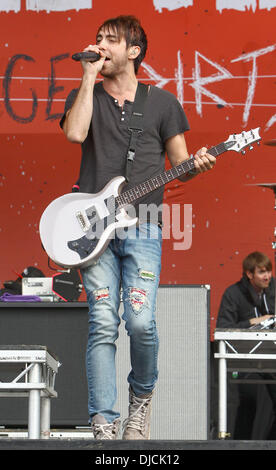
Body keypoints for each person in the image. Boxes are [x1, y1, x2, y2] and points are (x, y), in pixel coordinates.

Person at [60, 15, 216, 440]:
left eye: (110, 41)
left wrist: (197, 166)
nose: (100, 45)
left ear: (134, 51)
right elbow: (75, 134)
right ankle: (103, 422)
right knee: (104, 320)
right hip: (92, 227)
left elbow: (181, 165)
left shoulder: (163, 103)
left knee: (141, 322)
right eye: (97, 40)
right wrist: (88, 74)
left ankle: (140, 402)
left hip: (143, 222)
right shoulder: (85, 93)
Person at [216, 251, 276, 439]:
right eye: (262, 272)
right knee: (248, 400)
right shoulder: (233, 293)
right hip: (243, 361)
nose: (267, 276)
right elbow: (223, 328)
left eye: (268, 272)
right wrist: (254, 322)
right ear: (249, 274)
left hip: (271, 358)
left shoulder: (273, 290)